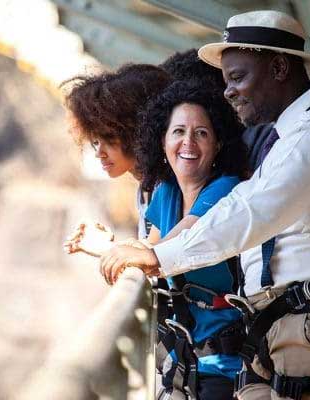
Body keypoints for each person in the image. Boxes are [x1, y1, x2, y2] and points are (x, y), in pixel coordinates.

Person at [99, 10, 310, 400]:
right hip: (292, 325)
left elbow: (253, 213)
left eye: (238, 77)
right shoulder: (292, 135)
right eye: (226, 81)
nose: (228, 92)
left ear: (278, 68)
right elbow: (243, 203)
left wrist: (158, 257)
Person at [133, 80, 247, 399]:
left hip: (227, 367)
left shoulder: (226, 189)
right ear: (163, 140)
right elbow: (150, 247)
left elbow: (179, 239)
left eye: (202, 133)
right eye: (179, 131)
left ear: (218, 144)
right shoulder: (166, 191)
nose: (189, 143)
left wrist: (129, 253)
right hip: (183, 360)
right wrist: (102, 247)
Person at [62, 63, 172, 249]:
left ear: (137, 131)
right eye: (95, 142)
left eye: (109, 139)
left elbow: (155, 257)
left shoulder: (169, 184)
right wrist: (107, 248)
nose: (99, 153)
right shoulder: (147, 187)